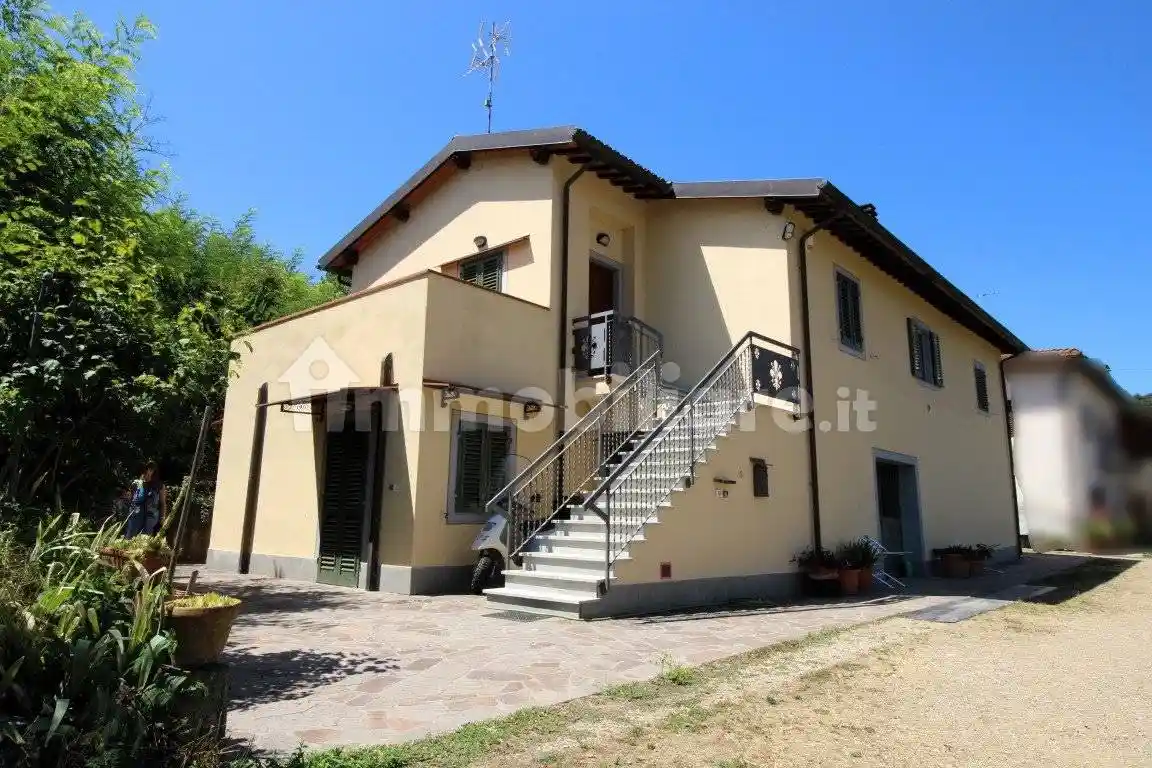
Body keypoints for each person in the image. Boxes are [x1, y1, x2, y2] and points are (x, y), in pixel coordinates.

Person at [123, 461, 167, 538]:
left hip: (151, 519)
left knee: (145, 541)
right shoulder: (136, 484)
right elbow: (131, 499)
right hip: (135, 518)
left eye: (148, 472)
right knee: (130, 539)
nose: (145, 475)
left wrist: (162, 520)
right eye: (144, 472)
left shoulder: (160, 486)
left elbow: (162, 504)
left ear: (152, 471)